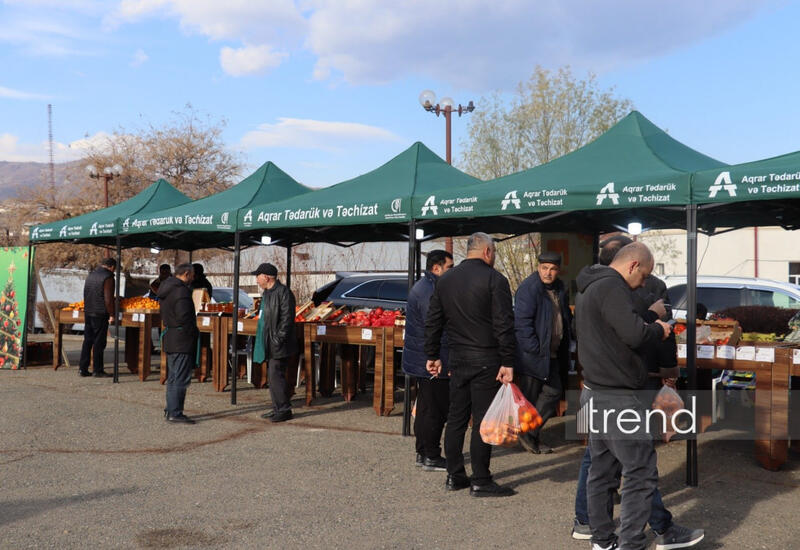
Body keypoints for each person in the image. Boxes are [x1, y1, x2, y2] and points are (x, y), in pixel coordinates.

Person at [572, 240, 704, 549]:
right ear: (632, 265)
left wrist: (644, 318)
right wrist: (659, 329)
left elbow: (616, 329)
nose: (644, 282)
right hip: (617, 397)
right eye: (644, 275)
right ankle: (629, 543)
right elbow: (632, 333)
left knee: (602, 472)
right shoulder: (612, 286)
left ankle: (602, 541)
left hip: (595, 391)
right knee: (640, 473)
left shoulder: (589, 286)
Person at [425, 232, 516, 497]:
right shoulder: (495, 280)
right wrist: (508, 361)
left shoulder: (445, 280)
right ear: (487, 252)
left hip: (458, 358)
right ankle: (481, 480)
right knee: (482, 421)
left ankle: (455, 476)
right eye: (494, 253)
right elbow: (503, 325)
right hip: (486, 358)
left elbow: (434, 320)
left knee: (456, 418)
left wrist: (432, 355)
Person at [514, 251, 572, 454]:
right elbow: (522, 324)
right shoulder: (530, 289)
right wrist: (534, 349)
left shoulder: (560, 288)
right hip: (534, 355)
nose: (548, 272)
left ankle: (529, 433)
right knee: (531, 398)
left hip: (553, 353)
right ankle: (529, 435)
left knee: (553, 392)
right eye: (544, 268)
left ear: (558, 270)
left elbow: (564, 317)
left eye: (553, 269)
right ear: (538, 267)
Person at [402, 249, 454, 471]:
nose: (452, 272)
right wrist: (444, 360)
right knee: (434, 409)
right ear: (437, 268)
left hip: (423, 358)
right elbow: (436, 328)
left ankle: (423, 452)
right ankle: (431, 454)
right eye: (449, 267)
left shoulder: (426, 287)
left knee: (425, 407)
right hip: (432, 360)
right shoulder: (430, 291)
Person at [253, 262, 297, 423]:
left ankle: (284, 409)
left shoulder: (283, 293)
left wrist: (278, 339)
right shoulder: (267, 293)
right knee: (273, 377)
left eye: (257, 277)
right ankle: (278, 407)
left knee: (275, 375)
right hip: (269, 342)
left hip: (279, 343)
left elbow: (287, 319)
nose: (256, 280)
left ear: (266, 277)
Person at [159, 263, 198, 424]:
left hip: (171, 336)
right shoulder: (181, 291)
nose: (194, 278)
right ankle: (175, 411)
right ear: (187, 274)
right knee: (180, 377)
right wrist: (192, 332)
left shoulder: (166, 288)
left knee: (174, 377)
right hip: (181, 339)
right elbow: (184, 316)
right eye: (193, 274)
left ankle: (171, 409)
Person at [79, 257, 116, 378]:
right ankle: (97, 370)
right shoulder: (108, 277)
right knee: (99, 342)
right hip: (100, 313)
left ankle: (82, 368)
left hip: (88, 311)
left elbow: (86, 293)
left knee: (87, 340)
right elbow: (108, 298)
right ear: (112, 267)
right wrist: (111, 314)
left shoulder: (91, 274)